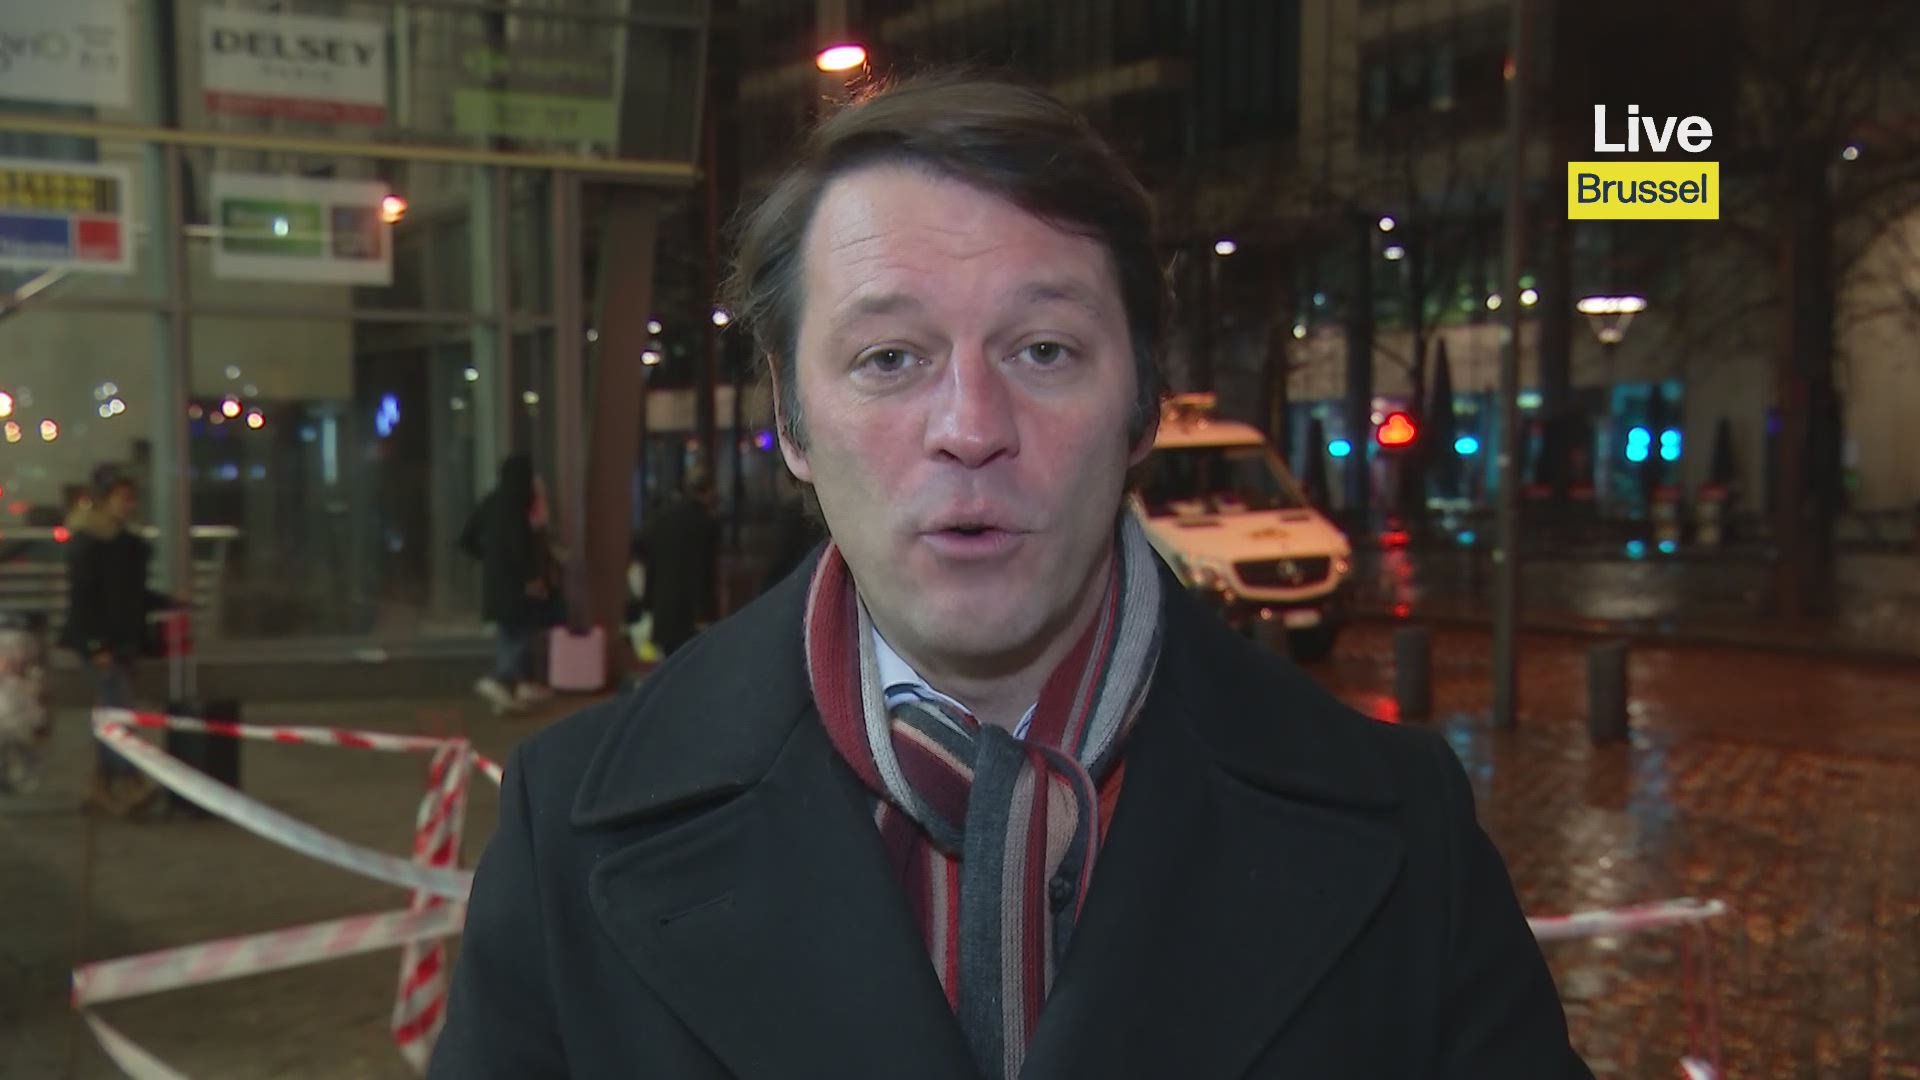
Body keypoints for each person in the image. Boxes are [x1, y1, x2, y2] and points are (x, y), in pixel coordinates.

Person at [433, 73, 1592, 1079]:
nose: (971, 427)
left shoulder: (1403, 832)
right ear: (792, 416)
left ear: (1142, 402)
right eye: (891, 357)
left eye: (1044, 350)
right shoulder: (566, 834)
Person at [59, 472, 171, 816]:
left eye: (131, 498)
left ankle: (103, 785)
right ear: (105, 500)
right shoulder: (92, 544)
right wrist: (96, 646)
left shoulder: (124, 544)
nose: (129, 505)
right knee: (118, 709)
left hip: (122, 640)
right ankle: (127, 780)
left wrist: (170, 603)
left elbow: (131, 595)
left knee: (114, 710)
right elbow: (85, 599)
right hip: (102, 642)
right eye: (122, 497)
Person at [461, 454, 558, 714]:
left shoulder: (491, 502)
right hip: (516, 583)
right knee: (519, 632)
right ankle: (501, 679)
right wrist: (532, 577)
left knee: (509, 632)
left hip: (495, 581)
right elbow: (520, 548)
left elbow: (466, 538)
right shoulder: (516, 507)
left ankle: (511, 689)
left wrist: (488, 557)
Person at [631, 470, 720, 658]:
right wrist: (705, 611)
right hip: (692, 614)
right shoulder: (705, 524)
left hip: (663, 609)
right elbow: (705, 573)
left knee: (670, 662)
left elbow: (641, 547)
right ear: (708, 492)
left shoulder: (662, 519)